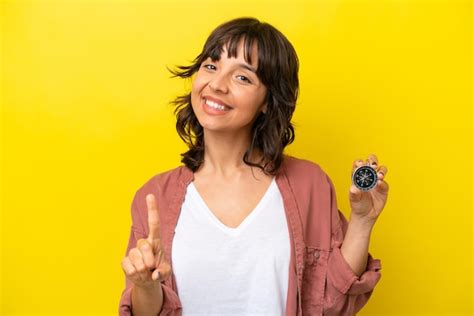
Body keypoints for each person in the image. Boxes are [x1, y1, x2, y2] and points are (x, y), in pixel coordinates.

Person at [119, 17, 389, 316]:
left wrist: (363, 221)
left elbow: (332, 304)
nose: (217, 85)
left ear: (267, 102)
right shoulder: (155, 196)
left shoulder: (308, 184)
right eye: (211, 66)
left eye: (243, 77)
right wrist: (144, 285)